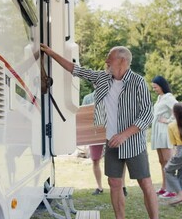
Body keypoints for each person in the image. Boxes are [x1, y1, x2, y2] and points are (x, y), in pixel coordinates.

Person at [41, 44, 158, 219]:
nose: (106, 61)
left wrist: (124, 134)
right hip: (111, 142)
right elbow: (76, 70)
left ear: (122, 61)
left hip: (134, 143)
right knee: (114, 183)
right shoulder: (103, 78)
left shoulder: (138, 82)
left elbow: (147, 114)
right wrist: (51, 53)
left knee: (145, 183)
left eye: (109, 58)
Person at [82, 90, 128, 197]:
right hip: (95, 134)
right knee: (95, 159)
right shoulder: (87, 98)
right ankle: (99, 187)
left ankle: (123, 186)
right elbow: (85, 117)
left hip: (112, 132)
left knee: (120, 159)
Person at [150, 75, 178, 198]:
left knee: (168, 161)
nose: (154, 89)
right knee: (162, 161)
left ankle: (172, 189)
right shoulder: (159, 98)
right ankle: (164, 187)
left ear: (161, 86)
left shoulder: (168, 98)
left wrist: (168, 120)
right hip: (157, 132)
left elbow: (178, 110)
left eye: (155, 87)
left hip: (164, 131)